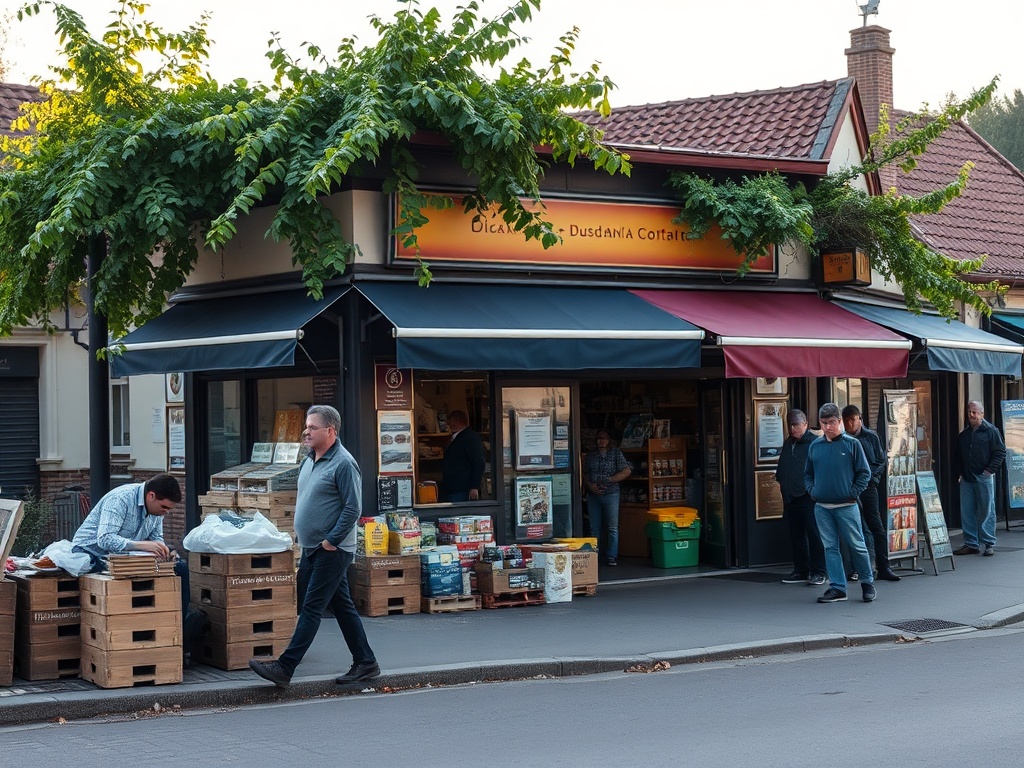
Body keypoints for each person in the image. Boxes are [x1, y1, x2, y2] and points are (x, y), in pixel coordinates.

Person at [249, 404, 379, 688]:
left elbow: (352, 508)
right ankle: (366, 662)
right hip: (311, 548)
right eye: (306, 427)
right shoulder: (309, 459)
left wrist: (331, 540)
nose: (305, 431)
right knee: (342, 607)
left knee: (311, 607)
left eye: (312, 427)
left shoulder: (344, 463)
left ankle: (285, 667)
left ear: (330, 431)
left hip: (332, 550)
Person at [71, 474, 205, 656]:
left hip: (124, 556)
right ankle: (131, 638)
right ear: (151, 496)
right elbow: (104, 539)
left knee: (179, 568)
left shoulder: (157, 510)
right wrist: (140, 545)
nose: (166, 512)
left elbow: (156, 538)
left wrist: (162, 551)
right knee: (130, 583)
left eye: (169, 509)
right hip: (91, 554)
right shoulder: (120, 498)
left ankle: (175, 636)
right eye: (164, 507)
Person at [804, 403, 876, 603]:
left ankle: (867, 582)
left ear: (839, 422)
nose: (828, 427)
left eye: (832, 422)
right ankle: (837, 587)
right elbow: (808, 473)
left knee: (857, 545)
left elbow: (865, 473)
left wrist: (852, 493)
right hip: (822, 507)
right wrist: (813, 491)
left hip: (846, 505)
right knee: (830, 547)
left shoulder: (852, 444)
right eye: (824, 423)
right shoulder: (815, 446)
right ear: (820, 423)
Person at [842, 405, 902, 582]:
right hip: (850, 489)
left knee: (876, 527)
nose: (850, 423)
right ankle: (857, 568)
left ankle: (883, 567)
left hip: (868, 489)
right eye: (847, 420)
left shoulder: (870, 437)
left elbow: (880, 461)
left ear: (860, 419)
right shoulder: (843, 439)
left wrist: (871, 481)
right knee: (854, 528)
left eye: (853, 419)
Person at [774, 409, 826, 585]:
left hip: (808, 497)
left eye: (796, 424)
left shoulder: (815, 443)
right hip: (790, 497)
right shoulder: (790, 443)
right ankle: (801, 570)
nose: (792, 428)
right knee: (796, 535)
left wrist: (812, 490)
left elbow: (821, 470)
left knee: (814, 535)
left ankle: (819, 571)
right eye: (790, 424)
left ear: (805, 423)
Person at [952, 400, 1006, 557]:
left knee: (986, 510)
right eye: (969, 412)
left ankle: (988, 543)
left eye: (975, 412)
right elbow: (958, 456)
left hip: (983, 477)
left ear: (982, 414)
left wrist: (989, 471)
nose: (971, 415)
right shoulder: (964, 435)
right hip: (967, 478)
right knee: (967, 511)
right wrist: (960, 473)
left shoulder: (991, 431)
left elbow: (1000, 452)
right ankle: (971, 543)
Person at [584, 429, 631, 566]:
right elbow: (585, 474)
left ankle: (611, 555)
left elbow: (626, 471)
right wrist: (591, 486)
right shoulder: (591, 455)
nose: (601, 441)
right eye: (599, 438)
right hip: (593, 495)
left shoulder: (616, 453)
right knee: (594, 528)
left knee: (612, 527)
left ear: (609, 440)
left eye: (604, 438)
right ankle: (594, 555)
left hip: (611, 493)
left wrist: (610, 480)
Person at [440, 409, 486, 502]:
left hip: (462, 490)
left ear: (456, 421)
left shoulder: (470, 437)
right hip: (455, 488)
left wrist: (474, 486)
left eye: (450, 420)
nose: (448, 423)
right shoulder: (460, 437)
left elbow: (479, 462)